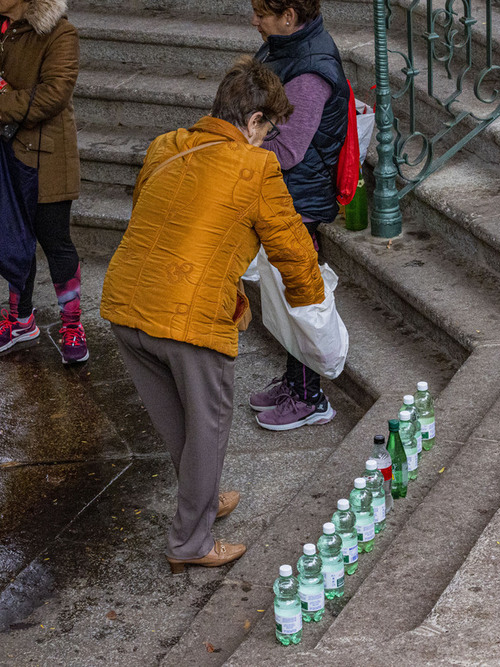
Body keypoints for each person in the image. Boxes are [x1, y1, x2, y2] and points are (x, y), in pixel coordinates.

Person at [100, 58, 325, 572]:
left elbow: (150, 212)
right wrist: (311, 302)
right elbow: (291, 244)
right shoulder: (256, 167)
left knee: (177, 421)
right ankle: (190, 543)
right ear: (253, 122)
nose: (268, 142)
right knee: (208, 424)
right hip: (190, 318)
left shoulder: (167, 145)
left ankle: (201, 499)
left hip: (126, 304)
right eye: (268, 130)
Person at [0, 0, 88, 364]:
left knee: (55, 241)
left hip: (45, 156)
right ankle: (21, 320)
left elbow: (55, 92)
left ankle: (71, 323)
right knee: (11, 238)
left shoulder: (59, 32)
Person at [249, 0, 349, 431]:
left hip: (299, 201)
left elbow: (289, 149)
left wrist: (239, 145)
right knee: (286, 292)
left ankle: (310, 397)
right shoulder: (284, 48)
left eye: (262, 14)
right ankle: (295, 380)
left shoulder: (309, 71)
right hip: (286, 196)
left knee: (301, 298)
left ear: (289, 16)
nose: (254, 21)